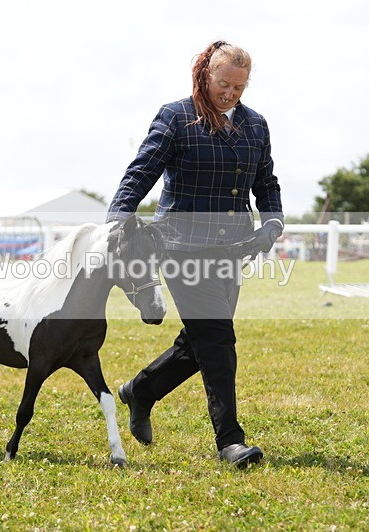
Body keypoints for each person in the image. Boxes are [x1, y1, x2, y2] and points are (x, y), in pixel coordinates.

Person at [106, 40, 284, 468]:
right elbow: (142, 170)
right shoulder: (176, 116)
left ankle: (140, 390)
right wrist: (118, 216)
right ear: (205, 74)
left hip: (232, 250)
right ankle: (230, 442)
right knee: (218, 342)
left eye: (239, 87)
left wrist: (273, 221)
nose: (231, 93)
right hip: (181, 250)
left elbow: (266, 179)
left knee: (198, 343)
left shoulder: (255, 125)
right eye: (224, 83)